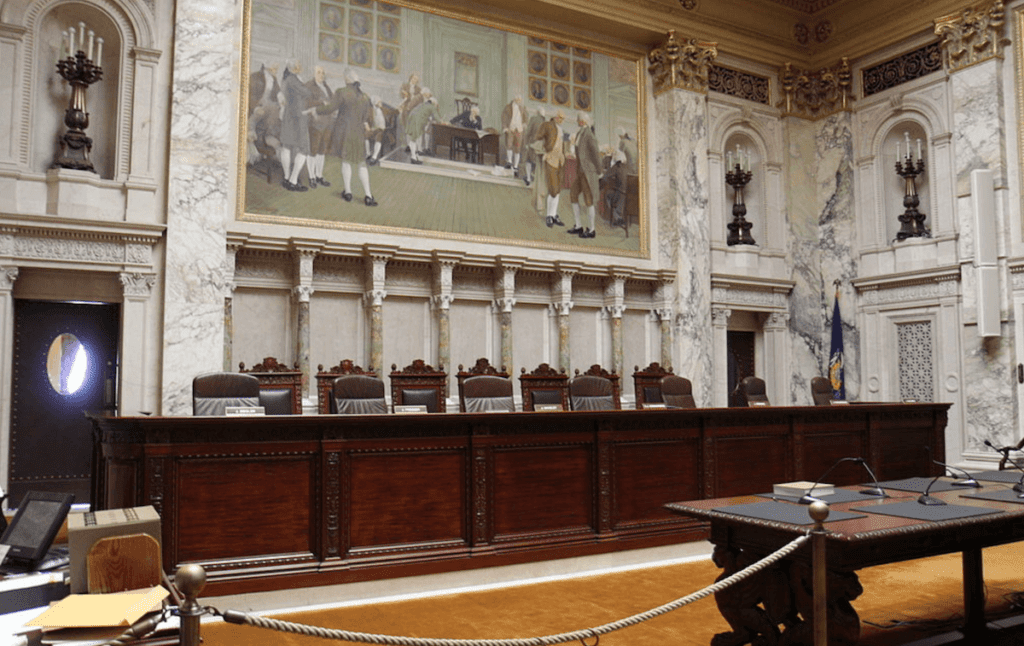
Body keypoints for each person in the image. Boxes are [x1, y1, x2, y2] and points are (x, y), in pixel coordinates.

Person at [318, 68, 377, 206]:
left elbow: (330, 109)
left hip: (344, 132)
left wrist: (317, 109)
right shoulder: (365, 97)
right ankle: (368, 196)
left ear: (346, 79)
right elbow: (368, 118)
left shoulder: (341, 92)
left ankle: (348, 192)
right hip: (358, 134)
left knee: (346, 161)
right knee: (361, 164)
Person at [279, 61, 312, 191]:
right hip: (298, 118)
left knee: (286, 146)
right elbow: (307, 93)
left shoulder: (288, 79)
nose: (300, 67)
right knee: (304, 149)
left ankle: (287, 178)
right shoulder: (293, 79)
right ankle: (292, 181)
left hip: (289, 116)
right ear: (293, 68)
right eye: (298, 65)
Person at [568, 112, 601, 238]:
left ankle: (591, 230)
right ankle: (578, 226)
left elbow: (596, 155)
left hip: (588, 172)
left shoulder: (589, 135)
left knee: (589, 200)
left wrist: (599, 171)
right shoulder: (579, 133)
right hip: (580, 172)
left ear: (583, 121)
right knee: (573, 194)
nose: (577, 120)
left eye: (578, 119)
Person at [533, 109, 567, 228]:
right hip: (550, 159)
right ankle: (549, 216)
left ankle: (553, 215)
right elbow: (538, 137)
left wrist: (563, 155)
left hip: (559, 161)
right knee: (552, 189)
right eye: (561, 118)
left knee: (557, 190)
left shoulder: (561, 129)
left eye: (563, 118)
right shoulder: (547, 125)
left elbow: (561, 144)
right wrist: (545, 148)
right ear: (555, 117)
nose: (562, 120)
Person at [304, 66, 333, 188]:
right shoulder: (309, 86)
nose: (321, 75)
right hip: (315, 123)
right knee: (313, 151)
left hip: (327, 123)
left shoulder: (326, 87)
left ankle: (319, 176)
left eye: (323, 73)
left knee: (322, 151)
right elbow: (305, 102)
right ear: (314, 73)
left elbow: (331, 101)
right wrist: (321, 103)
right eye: (319, 72)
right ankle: (311, 177)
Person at [404, 87, 441, 165]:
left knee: (415, 138)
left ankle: (415, 154)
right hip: (415, 120)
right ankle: (415, 155)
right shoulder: (419, 99)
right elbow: (409, 108)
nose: (429, 95)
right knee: (415, 138)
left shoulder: (425, 102)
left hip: (415, 119)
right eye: (428, 94)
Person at [600, 149, 628, 228]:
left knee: (607, 195)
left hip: (620, 194)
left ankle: (618, 218)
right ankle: (619, 217)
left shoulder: (616, 167)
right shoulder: (626, 167)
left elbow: (605, 176)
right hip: (628, 195)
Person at [518, 106, 545, 187]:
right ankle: (536, 181)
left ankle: (529, 178)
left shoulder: (534, 119)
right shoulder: (545, 121)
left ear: (537, 112)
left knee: (529, 161)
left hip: (532, 144)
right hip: (541, 146)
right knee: (537, 162)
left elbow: (528, 131)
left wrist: (525, 143)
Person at [501, 95, 525, 171]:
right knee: (509, 145)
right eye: (517, 99)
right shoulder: (508, 107)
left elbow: (525, 118)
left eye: (520, 100)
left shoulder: (522, 108)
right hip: (511, 129)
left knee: (518, 148)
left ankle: (516, 166)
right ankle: (509, 162)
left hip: (519, 130)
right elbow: (504, 117)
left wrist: (524, 124)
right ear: (514, 99)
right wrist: (505, 127)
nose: (519, 101)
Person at [365, 95, 387, 166]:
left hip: (381, 129)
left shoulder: (383, 110)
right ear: (375, 103)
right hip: (373, 129)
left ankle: (374, 157)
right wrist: (366, 126)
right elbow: (364, 119)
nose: (380, 103)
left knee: (379, 136)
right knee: (366, 135)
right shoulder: (370, 110)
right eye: (379, 102)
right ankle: (368, 154)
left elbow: (392, 112)